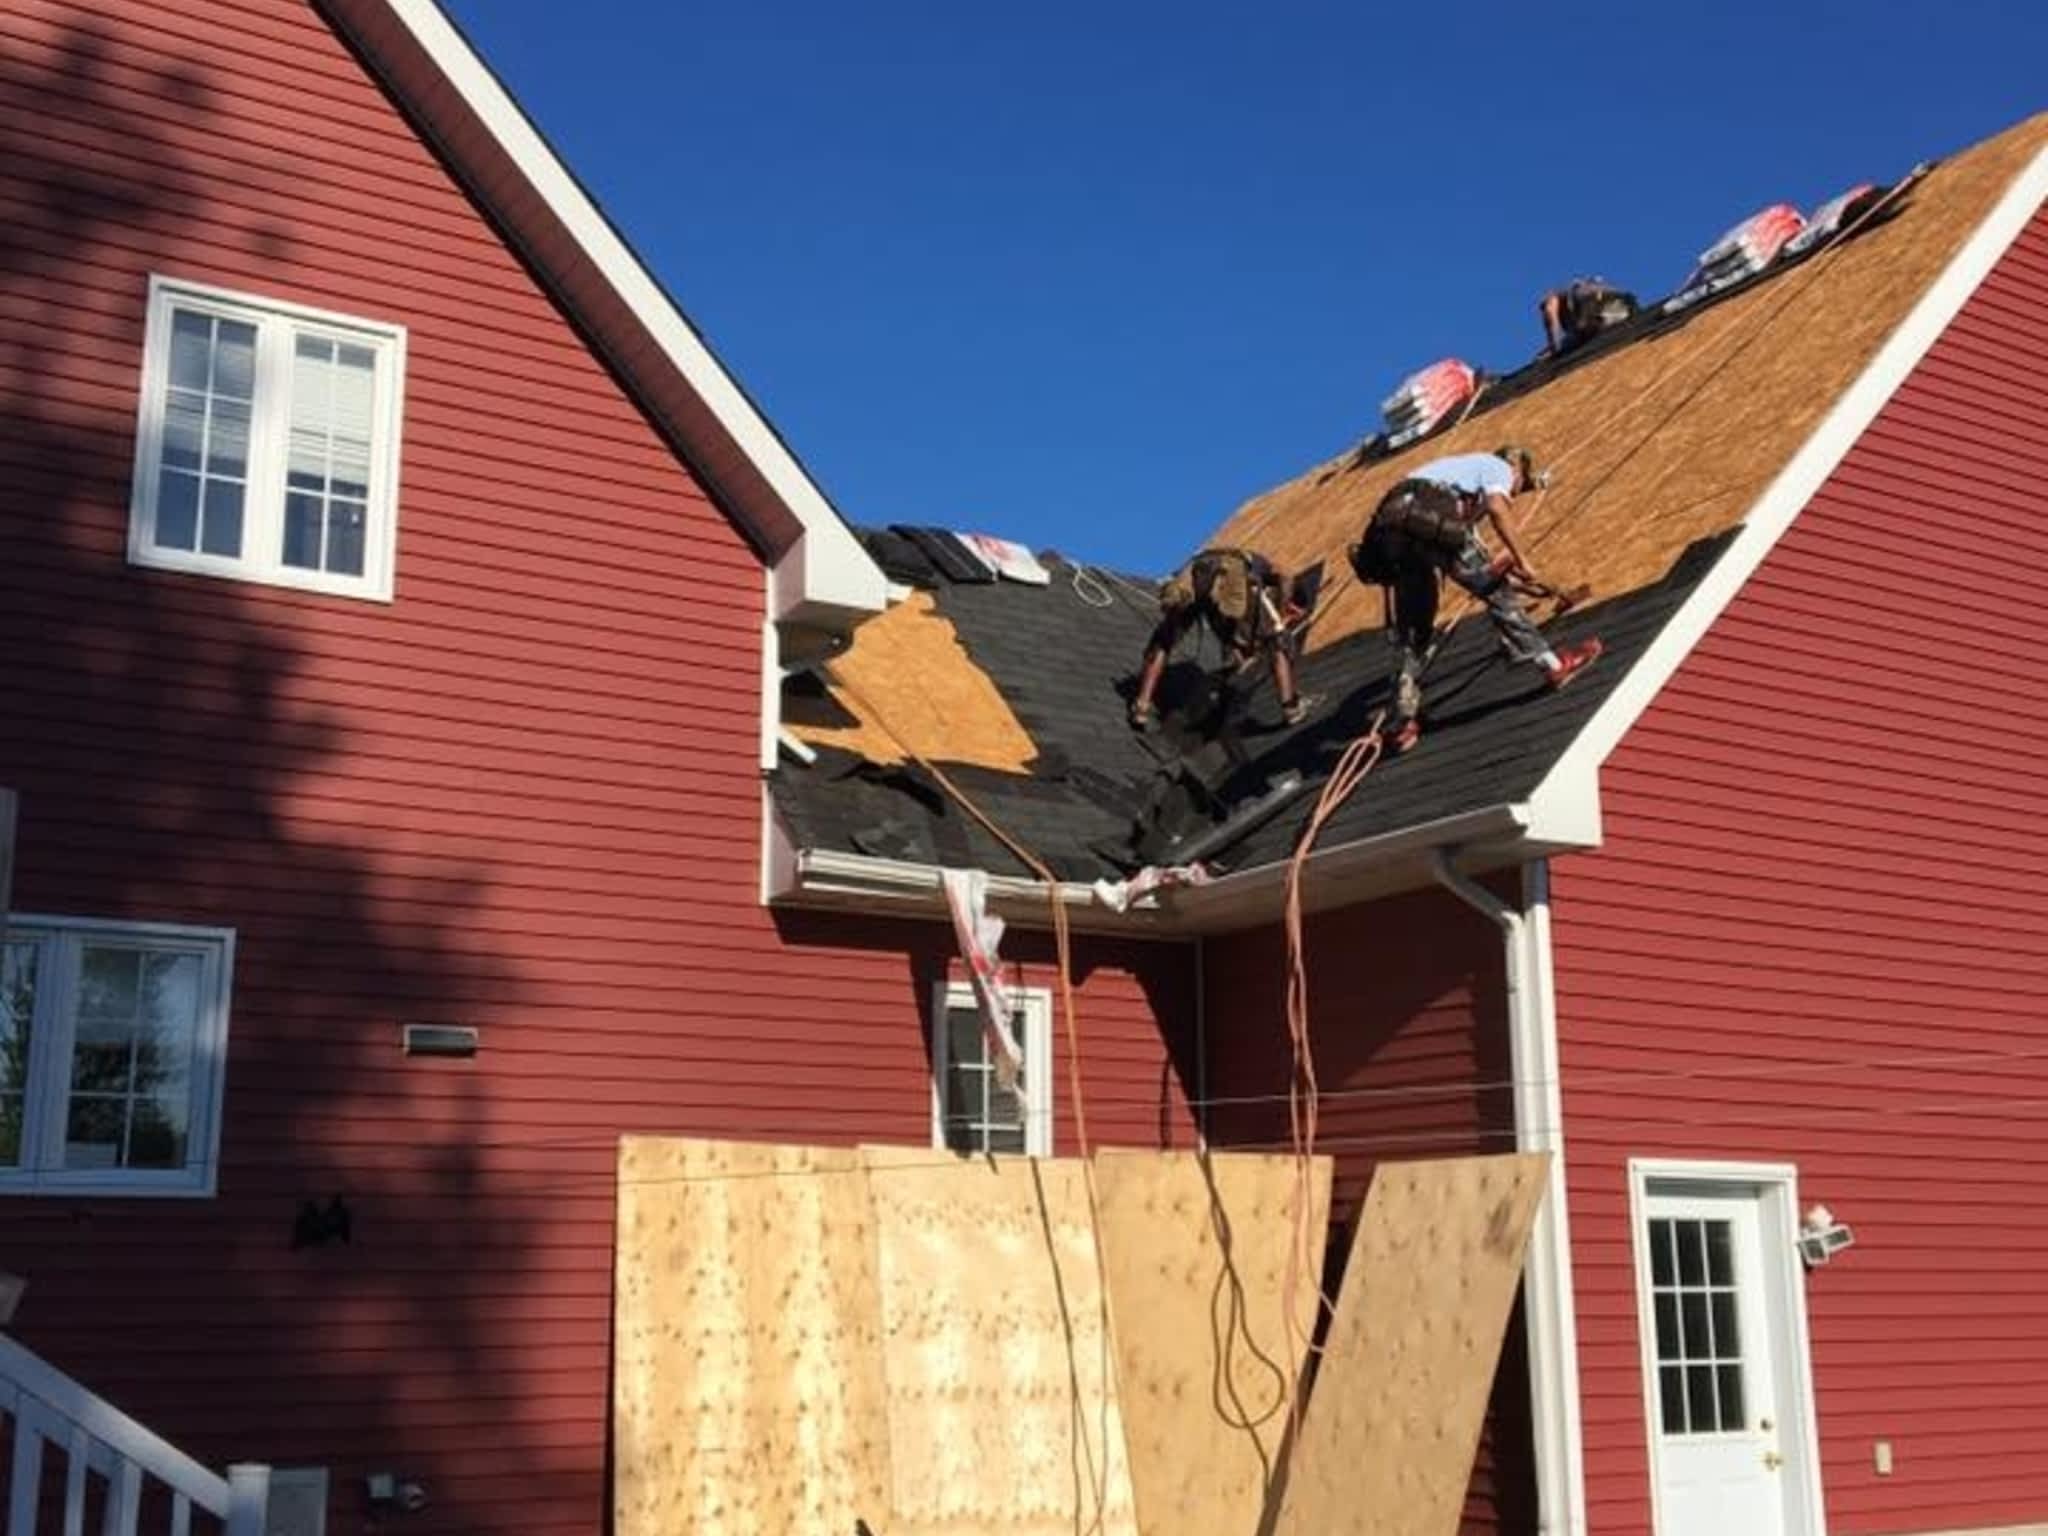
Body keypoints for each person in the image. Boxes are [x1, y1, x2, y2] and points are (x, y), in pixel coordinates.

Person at [1349, 446, 1601, 753]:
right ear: (1516, 469)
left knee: (1414, 631)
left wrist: (1534, 486)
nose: (1514, 491)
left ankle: (1402, 723)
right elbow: (1497, 507)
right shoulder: (1497, 466)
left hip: (1390, 530)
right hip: (1426, 518)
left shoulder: (1462, 476)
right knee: (1497, 593)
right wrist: (1522, 558)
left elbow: (1473, 547)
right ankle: (1552, 665)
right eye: (1518, 483)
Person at [1129, 547, 1305, 730]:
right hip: (1229, 571)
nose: (1291, 619)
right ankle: (1290, 708)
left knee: (1164, 638)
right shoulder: (1264, 567)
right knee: (1277, 640)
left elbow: (1224, 624)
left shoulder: (1240, 566)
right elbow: (1286, 577)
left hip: (1194, 572)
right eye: (1293, 614)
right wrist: (1282, 615)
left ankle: (1141, 705)